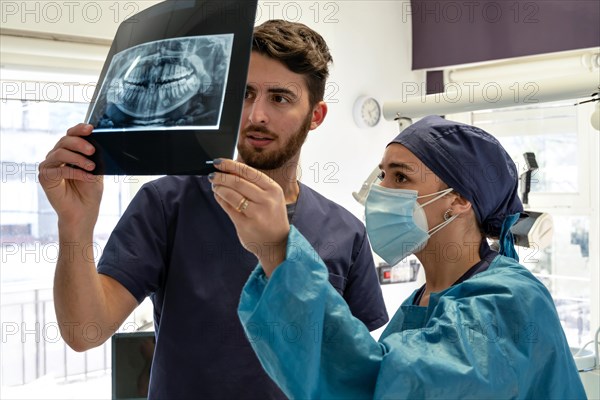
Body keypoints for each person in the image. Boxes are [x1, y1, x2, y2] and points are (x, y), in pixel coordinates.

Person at [38, 20, 388, 399]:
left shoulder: (346, 232)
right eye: (245, 94)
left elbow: (350, 368)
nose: (256, 115)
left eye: (280, 98)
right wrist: (74, 225)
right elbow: (84, 332)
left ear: (315, 116)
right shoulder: (167, 204)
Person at [211, 115, 587, 399]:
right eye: (383, 175)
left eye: (401, 178)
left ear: (458, 200)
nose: (380, 192)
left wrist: (279, 250)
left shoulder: (508, 301)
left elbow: (370, 383)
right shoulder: (420, 302)